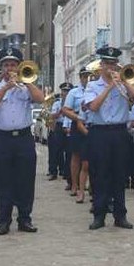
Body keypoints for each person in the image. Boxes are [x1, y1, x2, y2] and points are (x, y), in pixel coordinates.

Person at [0, 48, 44, 235]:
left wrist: (27, 83)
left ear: (19, 67)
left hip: (24, 138)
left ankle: (25, 219)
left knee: (26, 180)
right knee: (3, 181)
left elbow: (40, 99)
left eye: (13, 65)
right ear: (1, 67)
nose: (10, 68)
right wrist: (5, 88)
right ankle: (4, 220)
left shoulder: (26, 85)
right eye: (6, 65)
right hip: (3, 139)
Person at [84, 46, 134, 230]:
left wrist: (124, 82)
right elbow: (93, 107)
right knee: (100, 174)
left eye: (114, 63)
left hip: (119, 132)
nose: (111, 67)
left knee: (119, 174)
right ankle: (99, 215)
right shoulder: (92, 86)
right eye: (108, 63)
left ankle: (120, 215)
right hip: (99, 133)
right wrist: (109, 87)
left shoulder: (123, 83)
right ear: (101, 65)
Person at [62, 67, 91, 203]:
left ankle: (91, 186)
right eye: (84, 76)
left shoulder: (96, 90)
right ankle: (75, 185)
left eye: (89, 76)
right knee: (76, 156)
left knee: (89, 159)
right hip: (78, 124)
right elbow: (65, 110)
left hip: (93, 123)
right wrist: (78, 117)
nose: (87, 79)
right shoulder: (74, 92)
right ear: (80, 77)